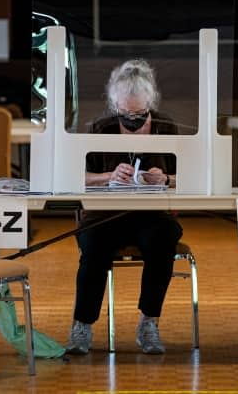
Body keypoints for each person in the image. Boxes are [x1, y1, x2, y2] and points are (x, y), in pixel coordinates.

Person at [66, 59, 183, 355]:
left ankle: (149, 321)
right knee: (93, 246)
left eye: (140, 114)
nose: (132, 119)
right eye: (125, 113)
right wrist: (108, 176)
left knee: (164, 239)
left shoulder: (166, 127)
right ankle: (82, 325)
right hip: (106, 214)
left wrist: (165, 178)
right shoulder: (100, 128)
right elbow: (74, 177)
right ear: (113, 104)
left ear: (150, 104)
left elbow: (193, 178)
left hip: (151, 214)